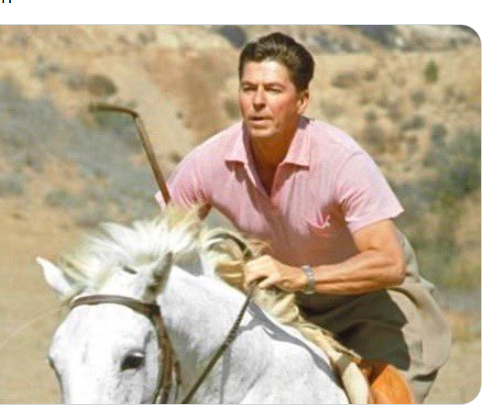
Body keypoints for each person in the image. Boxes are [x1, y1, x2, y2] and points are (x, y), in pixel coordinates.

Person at [157, 32, 450, 403]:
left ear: (302, 100)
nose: (258, 101)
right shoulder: (207, 161)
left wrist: (300, 276)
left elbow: (388, 264)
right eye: (248, 88)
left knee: (382, 398)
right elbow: (166, 246)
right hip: (281, 303)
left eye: (273, 90)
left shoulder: (342, 160)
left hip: (372, 301)